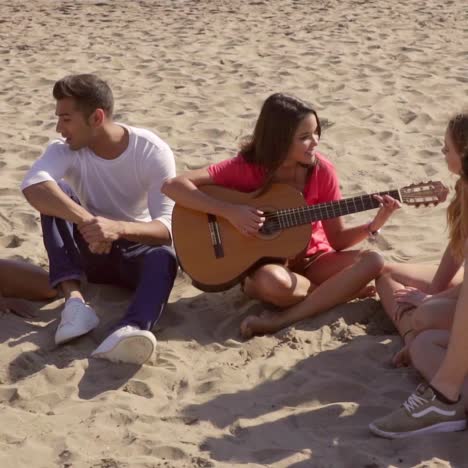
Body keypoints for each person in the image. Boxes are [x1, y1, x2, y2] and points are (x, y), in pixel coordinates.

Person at [162, 93, 400, 338]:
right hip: (269, 267)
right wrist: (231, 212)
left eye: (317, 132)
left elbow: (337, 239)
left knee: (374, 261)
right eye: (305, 137)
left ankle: (292, 313)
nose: (316, 142)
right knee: (273, 283)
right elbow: (173, 185)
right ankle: (336, 293)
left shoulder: (322, 171)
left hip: (314, 260)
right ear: (280, 140)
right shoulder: (246, 168)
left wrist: (373, 224)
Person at [21, 74, 178, 365]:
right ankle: (75, 303)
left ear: (96, 117)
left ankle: (130, 329)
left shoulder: (150, 150)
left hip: (134, 250)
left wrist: (116, 229)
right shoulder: (63, 149)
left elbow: (168, 228)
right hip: (88, 250)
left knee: (166, 257)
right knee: (57, 193)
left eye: (66, 119)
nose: (59, 128)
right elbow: (33, 186)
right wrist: (90, 223)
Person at [370, 112, 468, 438]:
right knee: (386, 278)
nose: (443, 153)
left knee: (424, 317)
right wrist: (437, 289)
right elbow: (457, 250)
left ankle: (446, 394)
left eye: (446, 148)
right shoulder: (464, 190)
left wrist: (431, 300)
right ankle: (449, 385)